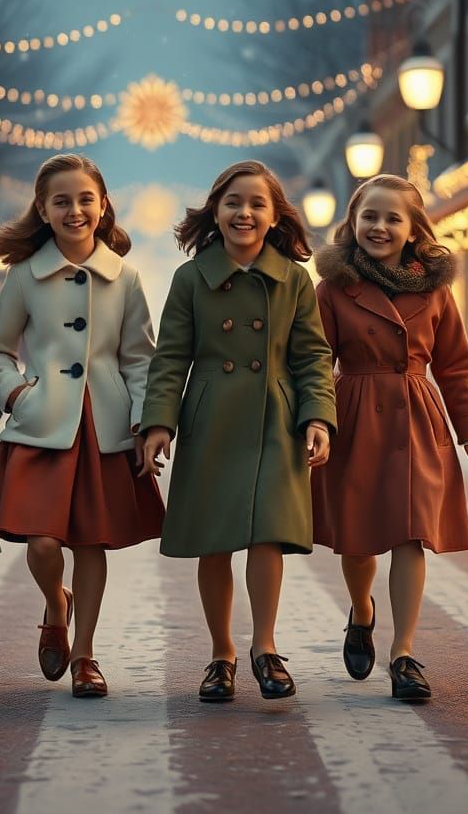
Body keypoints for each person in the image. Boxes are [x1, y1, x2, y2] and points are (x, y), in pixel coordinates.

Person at [141, 160, 336, 704]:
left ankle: (265, 647)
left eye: (256, 204)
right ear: (215, 212)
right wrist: (158, 423)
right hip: (212, 419)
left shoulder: (294, 279)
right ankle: (221, 654)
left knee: (268, 532)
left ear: (274, 217)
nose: (243, 213)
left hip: (277, 418)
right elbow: (170, 357)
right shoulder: (190, 279)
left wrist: (318, 416)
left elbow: (313, 356)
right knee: (216, 538)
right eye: (232, 202)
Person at [0, 154, 164, 699]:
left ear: (103, 206)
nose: (75, 210)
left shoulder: (125, 278)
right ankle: (57, 603)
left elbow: (139, 359)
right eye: (62, 201)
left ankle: (85, 655)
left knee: (91, 542)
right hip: (42, 424)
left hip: (103, 426)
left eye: (85, 199)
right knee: (41, 542)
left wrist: (142, 419)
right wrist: (17, 394)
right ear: (43, 209)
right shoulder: (24, 275)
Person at [311, 173, 468, 702]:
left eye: (394, 218)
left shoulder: (436, 290)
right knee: (357, 538)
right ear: (353, 222)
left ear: (414, 230)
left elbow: (455, 367)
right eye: (369, 216)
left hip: (416, 418)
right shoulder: (333, 288)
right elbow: (316, 362)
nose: (380, 227)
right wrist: (315, 421)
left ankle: (404, 654)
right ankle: (361, 611)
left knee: (412, 534)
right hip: (354, 417)